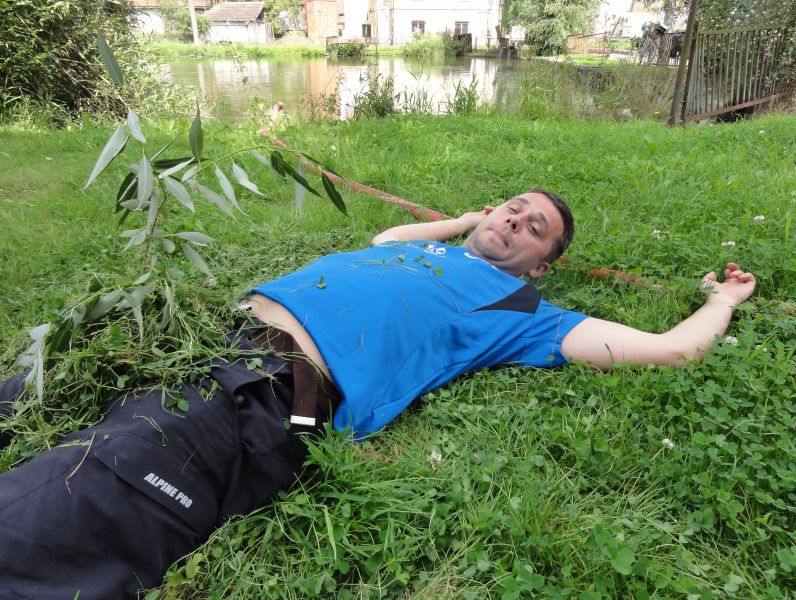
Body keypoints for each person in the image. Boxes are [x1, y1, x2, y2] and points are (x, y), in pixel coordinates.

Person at [0, 189, 755, 599]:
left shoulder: (523, 308)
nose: (515, 220)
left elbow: (671, 350)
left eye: (534, 228)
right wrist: (466, 219)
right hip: (186, 338)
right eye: (512, 207)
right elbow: (388, 239)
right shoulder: (426, 251)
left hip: (257, 390)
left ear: (540, 267)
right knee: (24, 392)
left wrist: (721, 301)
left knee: (54, 510)